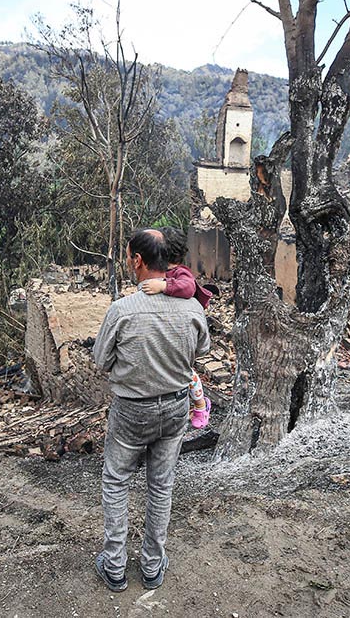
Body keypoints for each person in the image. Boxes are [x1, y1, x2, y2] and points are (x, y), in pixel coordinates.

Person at [92, 228, 211, 592]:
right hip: (175, 408)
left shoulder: (122, 311)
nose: (129, 261)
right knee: (161, 486)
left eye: (129, 257)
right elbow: (201, 349)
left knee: (116, 481)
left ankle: (114, 566)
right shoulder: (192, 308)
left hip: (131, 411)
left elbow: (101, 360)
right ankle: (152, 566)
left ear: (138, 261)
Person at [139, 227, 213, 429]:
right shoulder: (162, 271)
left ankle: (200, 404)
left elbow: (188, 287)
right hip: (167, 327)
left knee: (186, 373)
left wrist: (163, 286)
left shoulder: (180, 273)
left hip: (181, 329)